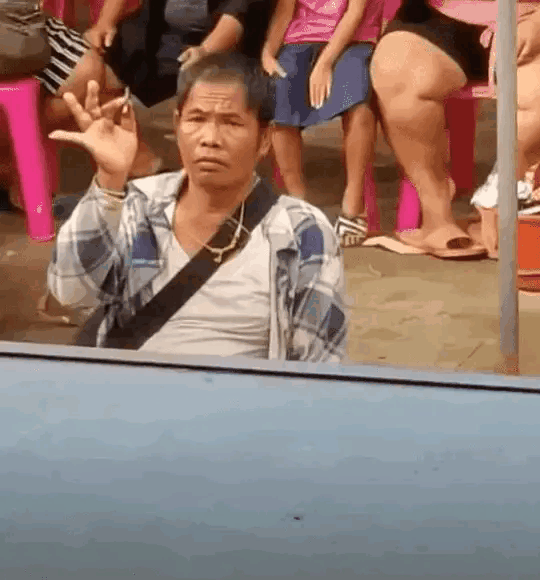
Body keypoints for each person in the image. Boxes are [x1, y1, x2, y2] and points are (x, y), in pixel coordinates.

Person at [46, 53, 348, 362]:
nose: (210, 139)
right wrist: (109, 181)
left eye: (231, 122)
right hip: (132, 386)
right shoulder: (136, 204)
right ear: (177, 125)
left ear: (264, 139)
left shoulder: (302, 232)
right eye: (196, 119)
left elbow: (318, 365)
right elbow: (72, 292)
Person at [369, 0, 540, 259]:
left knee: (535, 94)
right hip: (442, 14)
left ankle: (505, 204)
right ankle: (436, 214)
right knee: (395, 69)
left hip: (528, 16)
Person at [262, 0, 384, 247]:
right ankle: (297, 202)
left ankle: (353, 204)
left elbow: (355, 13)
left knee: (359, 103)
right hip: (300, 40)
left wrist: (325, 63)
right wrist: (268, 52)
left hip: (353, 39)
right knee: (278, 94)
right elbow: (285, 10)